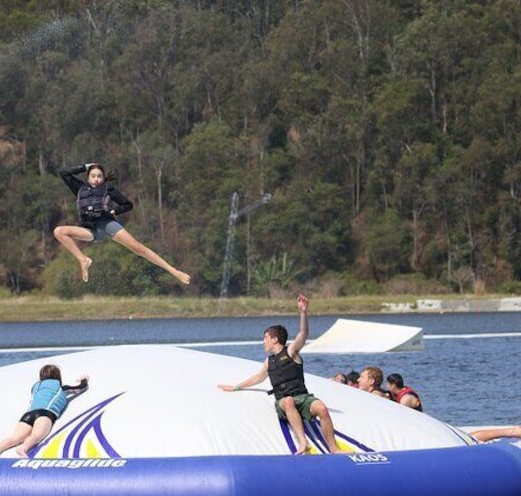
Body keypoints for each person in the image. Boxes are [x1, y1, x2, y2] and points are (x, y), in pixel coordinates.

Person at [217, 294, 339, 455]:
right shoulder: (269, 362)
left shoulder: (291, 351)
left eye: (265, 338)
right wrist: (236, 387)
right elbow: (258, 378)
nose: (263, 341)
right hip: (284, 401)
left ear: (274, 339)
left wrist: (303, 312)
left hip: (302, 397)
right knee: (288, 401)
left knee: (322, 408)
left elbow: (304, 333)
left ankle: (334, 448)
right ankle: (303, 443)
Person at [53, 162, 191, 285]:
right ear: (88, 177)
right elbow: (64, 173)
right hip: (90, 230)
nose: (96, 179)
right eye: (93, 176)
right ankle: (83, 259)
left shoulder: (109, 190)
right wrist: (86, 166)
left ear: (103, 178)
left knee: (138, 248)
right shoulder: (79, 188)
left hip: (107, 224)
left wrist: (115, 211)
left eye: (99, 176)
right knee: (59, 231)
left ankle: (174, 271)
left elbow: (127, 204)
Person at [0, 364, 89, 458]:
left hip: (28, 415)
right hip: (45, 413)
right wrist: (84, 379)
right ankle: (23, 448)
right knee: (36, 436)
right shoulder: (61, 388)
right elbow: (81, 388)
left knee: (15, 438)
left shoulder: (35, 388)